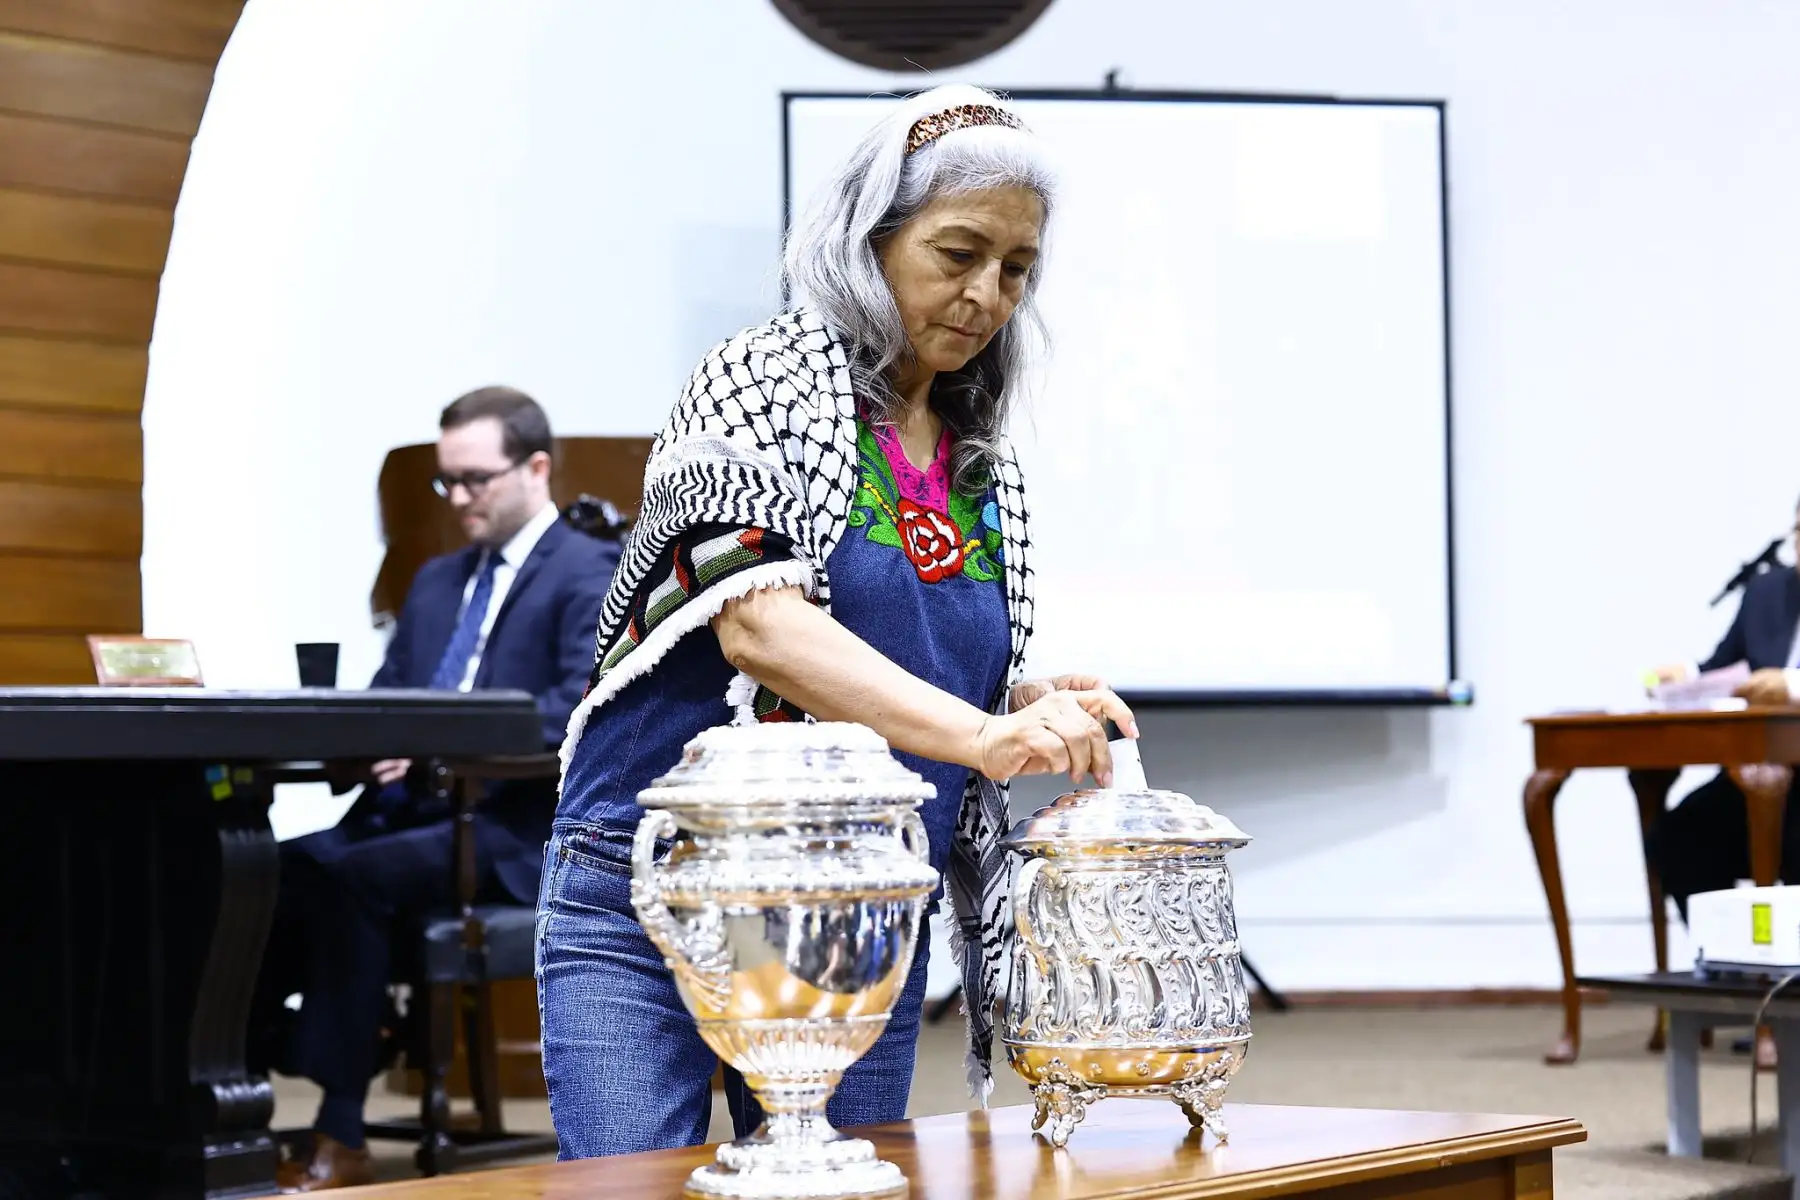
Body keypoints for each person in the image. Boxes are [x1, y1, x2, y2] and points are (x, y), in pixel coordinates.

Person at [536, 84, 1137, 1159]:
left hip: (857, 893)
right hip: (657, 877)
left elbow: (892, 654)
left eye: (1016, 269)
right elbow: (759, 628)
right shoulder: (757, 378)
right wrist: (984, 736)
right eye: (958, 253)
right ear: (869, 238)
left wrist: (1018, 699)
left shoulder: (978, 455)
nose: (987, 294)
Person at [261, 387, 620, 1191]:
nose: (457, 497)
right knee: (260, 870)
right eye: (446, 481)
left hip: (509, 827)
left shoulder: (586, 572)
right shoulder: (434, 582)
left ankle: (340, 1127)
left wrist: (433, 743)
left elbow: (575, 711)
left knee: (343, 877)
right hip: (406, 814)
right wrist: (363, 742)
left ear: (536, 468)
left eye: (474, 479)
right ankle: (262, 1069)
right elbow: (389, 697)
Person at [1645, 494, 1800, 1070]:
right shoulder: (1768, 592)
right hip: (1761, 776)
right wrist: (1685, 677)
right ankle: (1743, 988)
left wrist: (1790, 684)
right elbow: (1725, 671)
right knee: (1678, 837)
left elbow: (1777, 682)